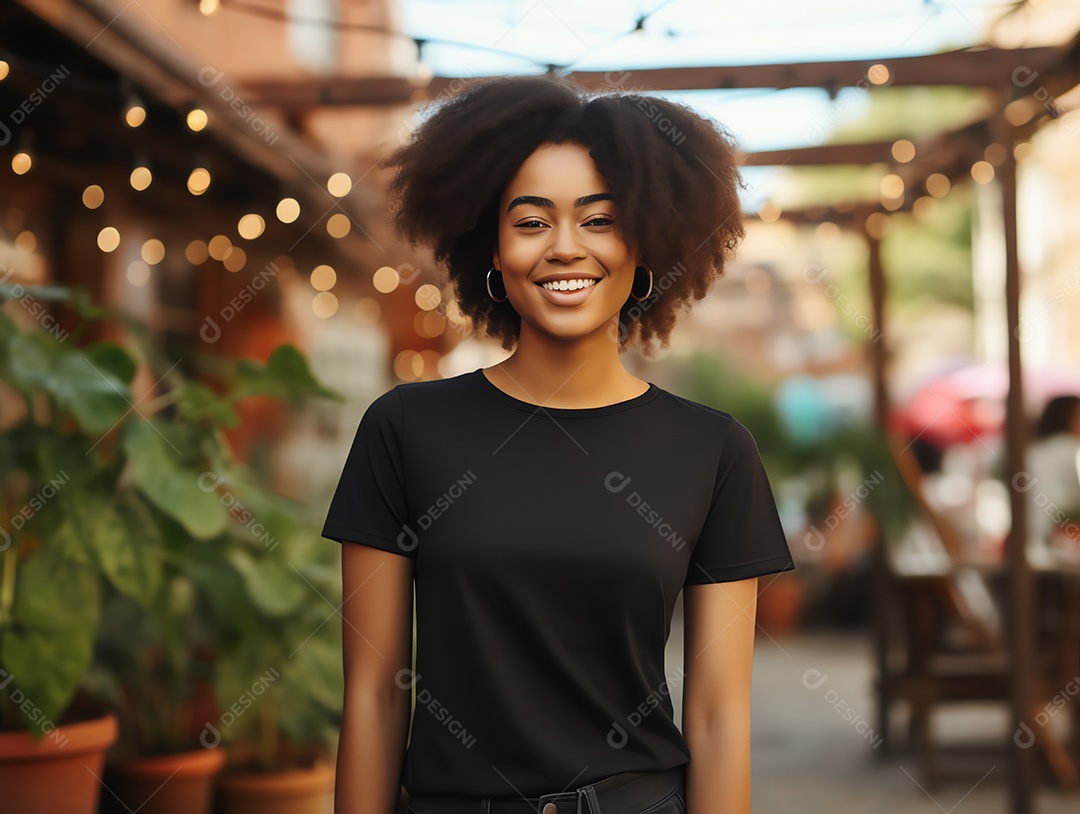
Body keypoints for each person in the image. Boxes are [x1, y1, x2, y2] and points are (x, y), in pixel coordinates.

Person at [321, 73, 795, 814]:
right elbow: (375, 694)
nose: (565, 248)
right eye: (532, 221)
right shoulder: (406, 429)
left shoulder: (713, 452)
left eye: (599, 220)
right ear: (491, 248)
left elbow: (718, 714)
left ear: (646, 247)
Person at [1025, 395, 1080, 556]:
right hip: (1065, 540)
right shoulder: (1071, 449)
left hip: (1034, 541)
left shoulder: (1032, 452)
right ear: (1069, 418)